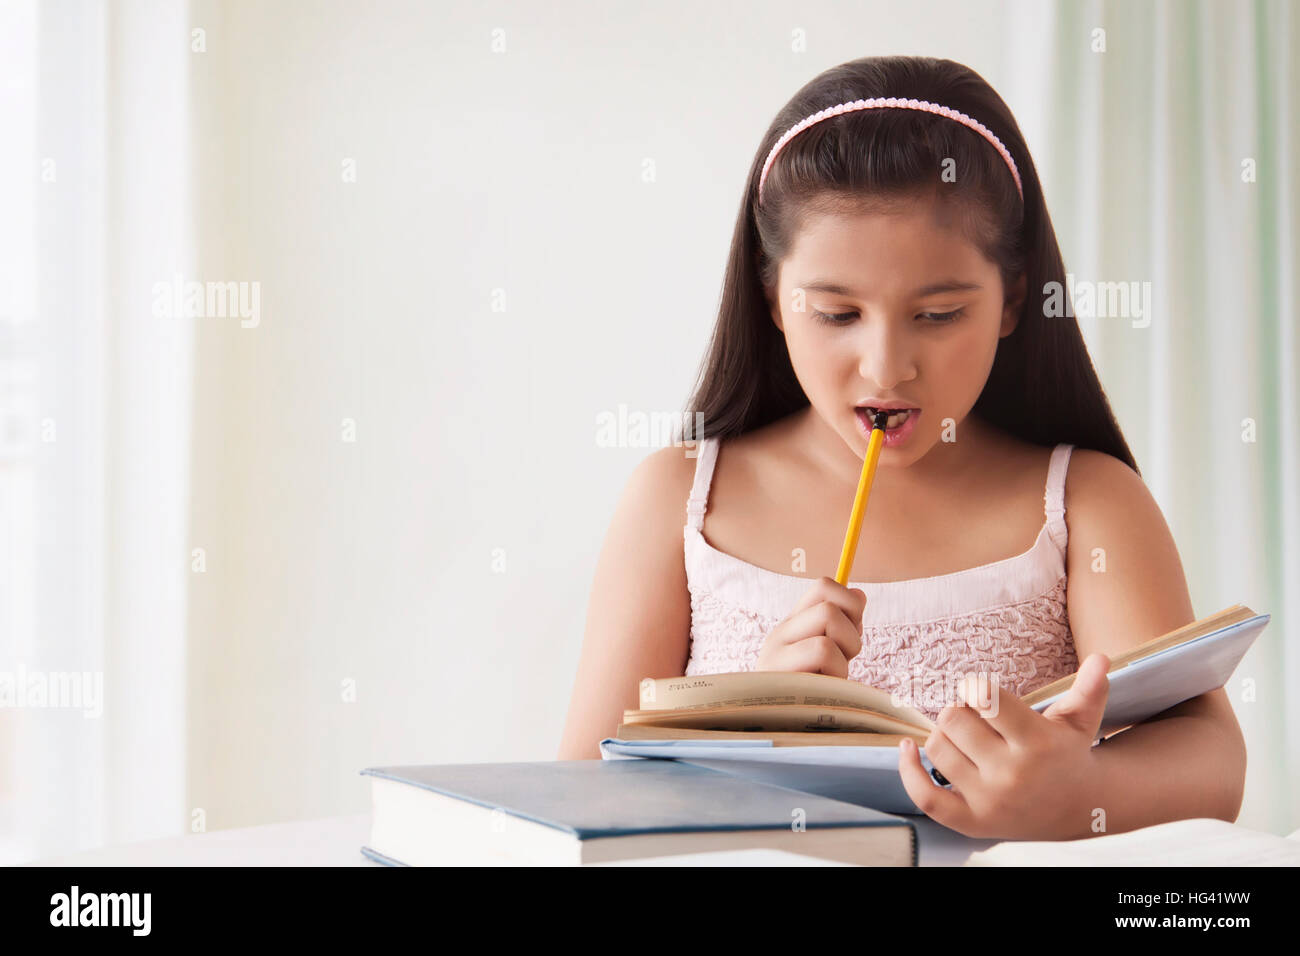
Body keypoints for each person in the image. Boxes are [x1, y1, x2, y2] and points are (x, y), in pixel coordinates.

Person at [557, 55, 1245, 841]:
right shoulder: (678, 498)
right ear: (773, 298)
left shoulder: (1086, 502)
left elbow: (1212, 763)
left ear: (1013, 299)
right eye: (837, 314)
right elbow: (580, 794)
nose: (887, 368)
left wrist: (1081, 789)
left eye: (940, 313)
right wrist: (737, 725)